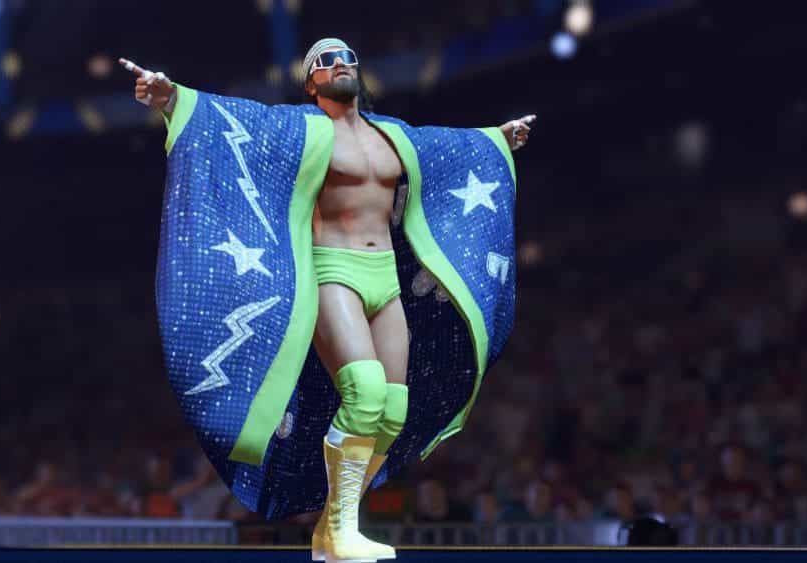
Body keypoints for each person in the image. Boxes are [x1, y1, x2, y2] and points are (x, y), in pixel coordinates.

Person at [122, 37, 533, 563]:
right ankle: (340, 532)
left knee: (392, 410)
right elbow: (233, 121)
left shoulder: (393, 136)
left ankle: (333, 527)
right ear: (310, 81)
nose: (340, 64)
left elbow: (448, 149)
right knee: (364, 395)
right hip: (333, 270)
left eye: (346, 58)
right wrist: (171, 97)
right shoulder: (300, 130)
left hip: (386, 276)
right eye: (326, 60)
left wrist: (498, 140)